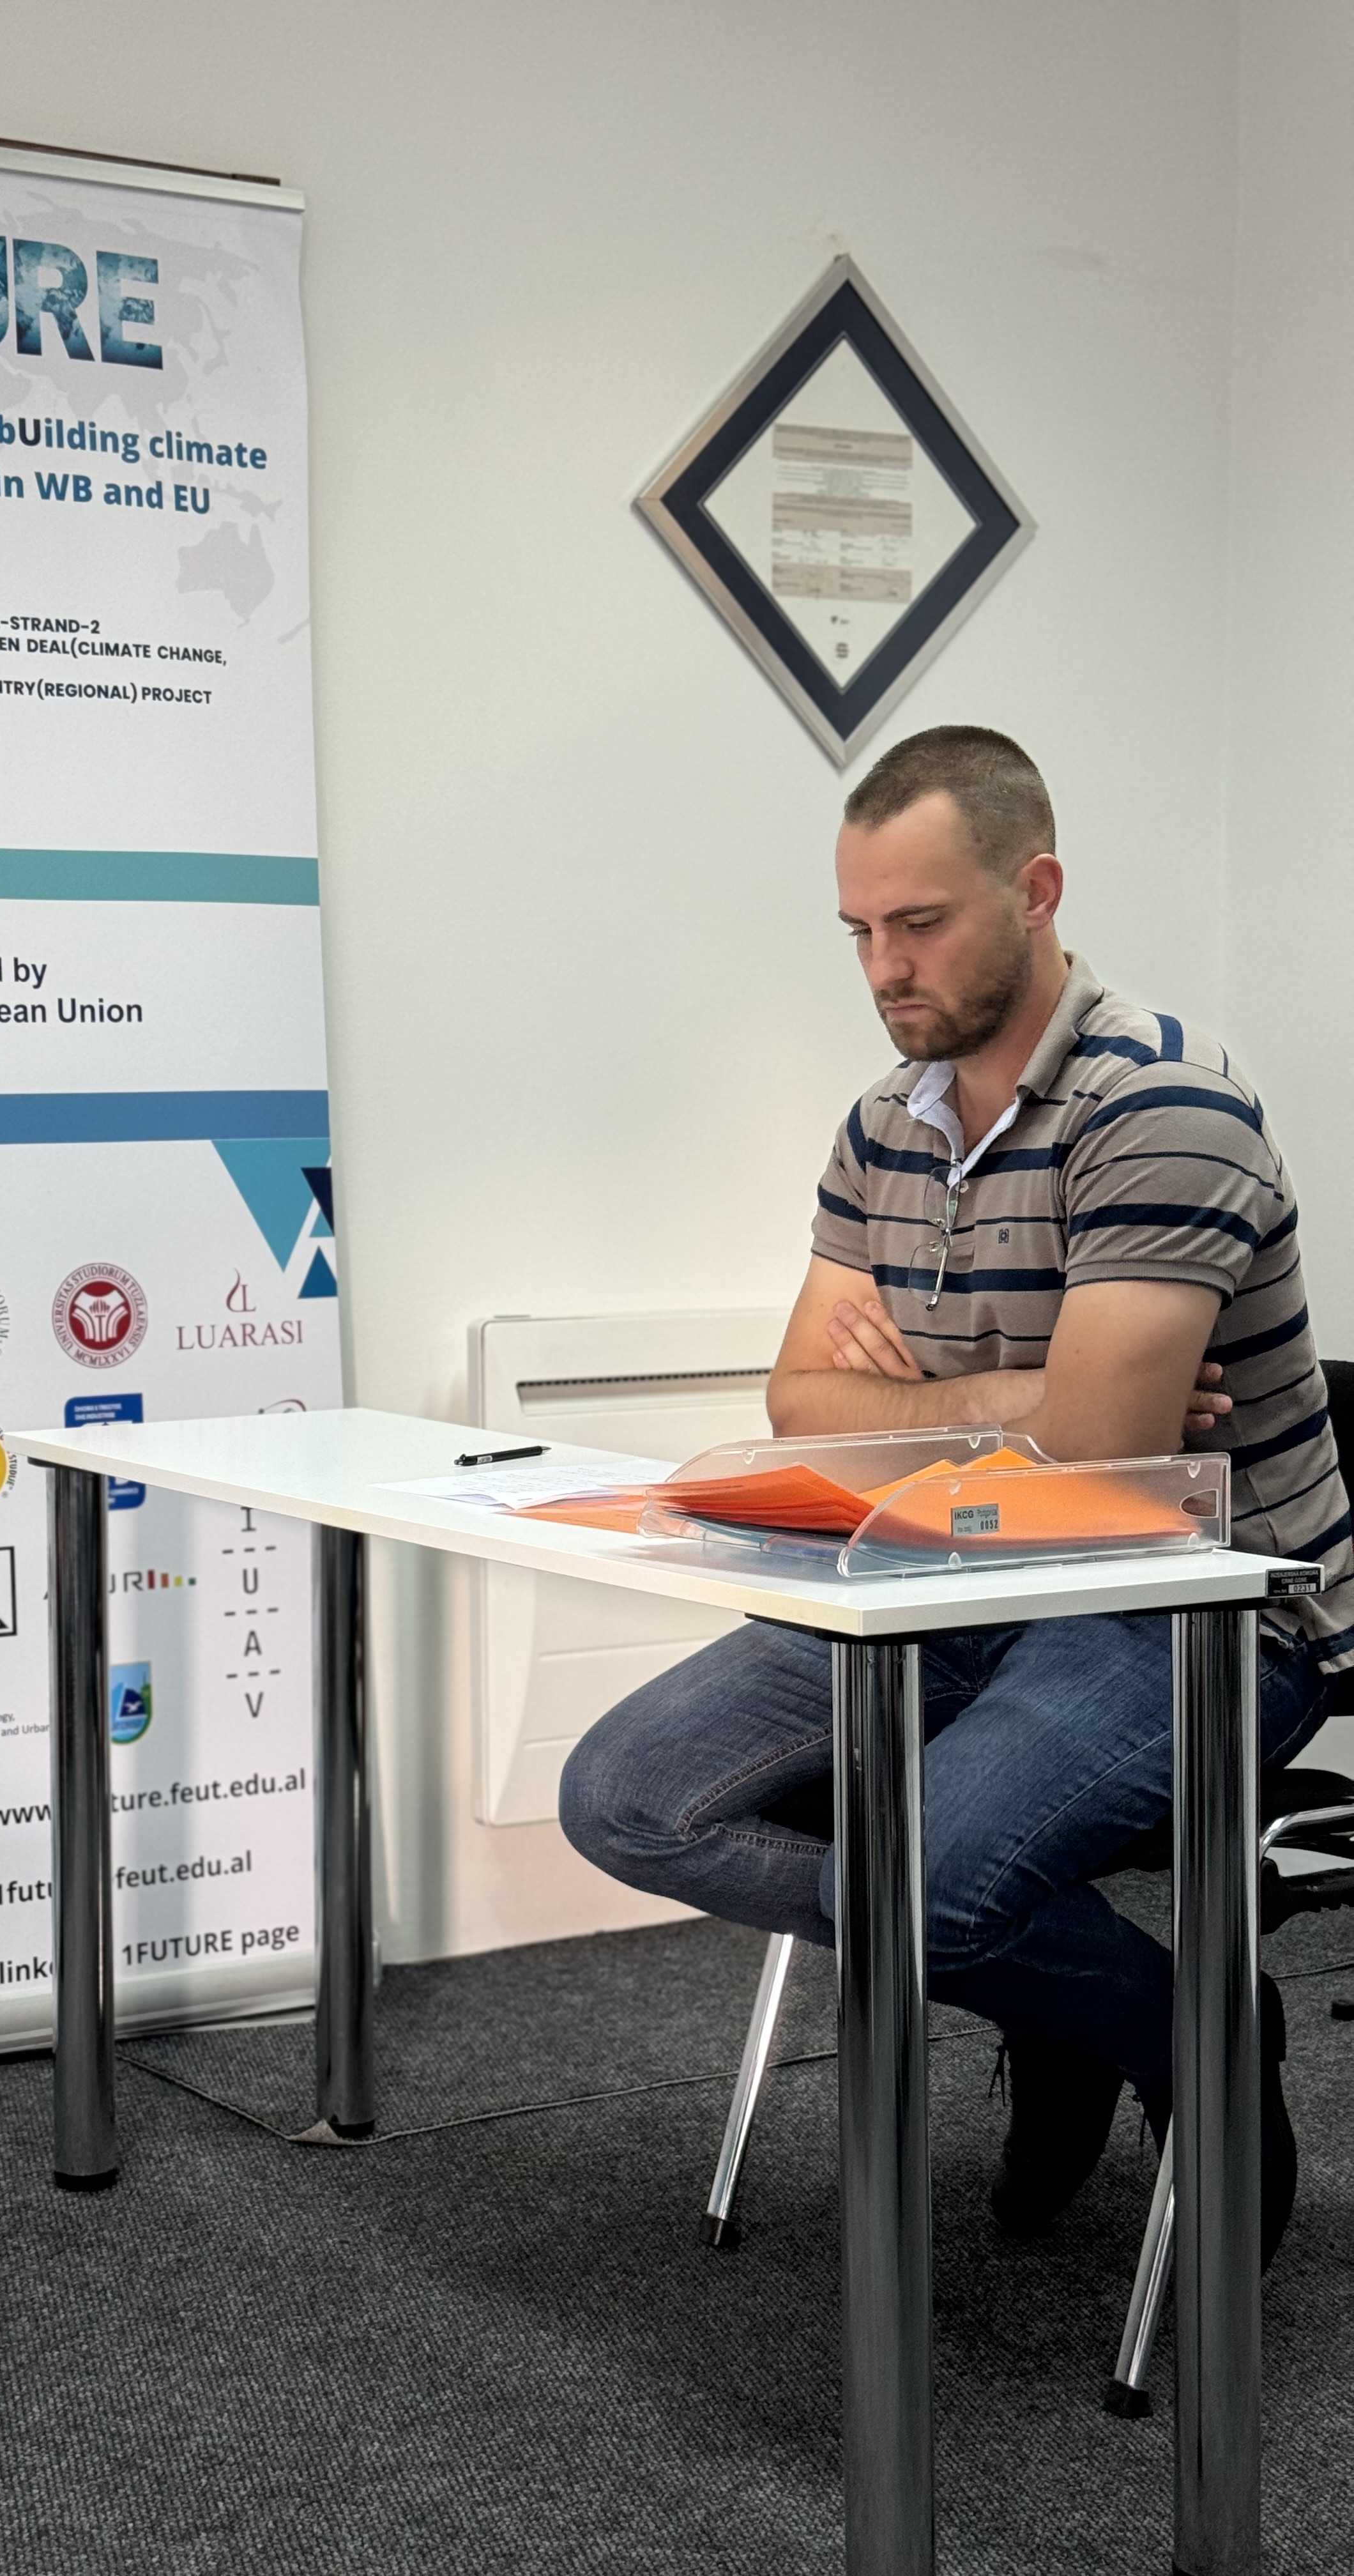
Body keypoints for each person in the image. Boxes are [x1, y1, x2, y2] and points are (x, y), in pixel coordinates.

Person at [559, 725, 1354, 2262]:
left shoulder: (1164, 1105)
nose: (884, 967)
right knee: (626, 1798)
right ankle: (1125, 2003)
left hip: (1196, 1609)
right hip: (952, 1567)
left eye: (918, 923)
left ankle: (1109, 1999)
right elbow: (802, 1407)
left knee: (925, 1890)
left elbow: (1108, 1456)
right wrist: (1006, 1398)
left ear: (1035, 891)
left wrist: (964, 1410)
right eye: (859, 930)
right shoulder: (883, 1125)